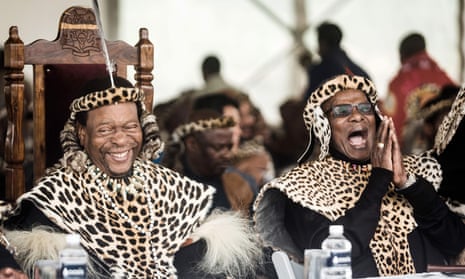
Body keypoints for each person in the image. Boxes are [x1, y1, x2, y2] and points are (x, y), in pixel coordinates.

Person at [0, 76, 263, 278]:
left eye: (130, 126)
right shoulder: (54, 198)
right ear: (82, 134)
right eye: (105, 129)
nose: (120, 140)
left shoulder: (171, 185)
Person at [253, 74, 465, 277]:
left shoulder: (416, 170)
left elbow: (455, 242)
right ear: (323, 125)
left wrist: (409, 185)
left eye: (366, 108)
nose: (357, 116)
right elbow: (331, 257)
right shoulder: (302, 185)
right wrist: (379, 180)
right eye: (342, 111)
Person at [380, 32, 456, 146]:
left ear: (402, 55)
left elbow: (390, 122)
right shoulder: (442, 77)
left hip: (412, 154)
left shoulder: (398, 83)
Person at [302, 22, 370, 101]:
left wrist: (310, 68)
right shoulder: (358, 71)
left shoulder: (321, 70)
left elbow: (308, 103)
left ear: (322, 43)